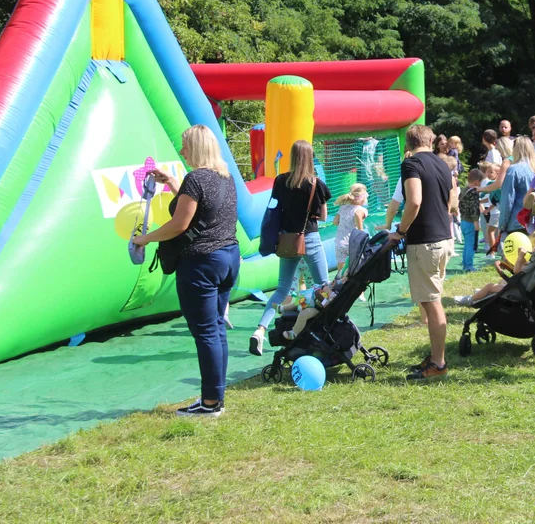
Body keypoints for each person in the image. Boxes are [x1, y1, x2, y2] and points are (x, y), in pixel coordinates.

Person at [131, 125, 239, 416]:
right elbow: (201, 207)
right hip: (228, 257)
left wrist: (144, 238)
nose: (182, 151)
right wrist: (171, 183)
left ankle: (210, 404)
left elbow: (180, 224)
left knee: (205, 332)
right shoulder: (225, 177)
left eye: (185, 146)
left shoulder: (196, 178)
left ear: (197, 148)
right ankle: (215, 398)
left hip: (201, 263)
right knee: (216, 329)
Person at [249, 139, 332, 357]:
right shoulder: (316, 183)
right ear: (310, 157)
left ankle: (260, 330)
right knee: (324, 285)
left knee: (282, 289)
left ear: (293, 157)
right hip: (310, 238)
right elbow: (322, 216)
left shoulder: (280, 180)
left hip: (286, 240)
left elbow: (276, 209)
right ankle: (328, 331)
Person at [389, 125, 457, 383]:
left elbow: (414, 201)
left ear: (408, 143)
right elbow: (452, 200)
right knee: (433, 299)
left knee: (432, 302)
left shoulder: (411, 164)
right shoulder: (443, 164)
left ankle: (438, 363)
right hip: (443, 238)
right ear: (430, 140)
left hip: (424, 242)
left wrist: (401, 230)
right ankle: (435, 357)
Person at [453, 227, 535, 306]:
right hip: (526, 287)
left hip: (520, 291)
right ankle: (484, 293)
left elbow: (517, 271)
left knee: (489, 286)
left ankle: (470, 299)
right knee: (502, 282)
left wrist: (520, 258)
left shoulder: (532, 261)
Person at [498, 136, 535, 238]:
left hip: (516, 222)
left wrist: (502, 225)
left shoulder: (513, 170)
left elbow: (507, 200)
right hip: (534, 223)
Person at [332, 183, 368, 271]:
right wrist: (361, 232)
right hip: (352, 242)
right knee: (357, 268)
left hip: (339, 242)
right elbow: (357, 215)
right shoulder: (361, 210)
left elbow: (335, 222)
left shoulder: (343, 207)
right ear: (363, 197)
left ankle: (341, 282)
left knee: (342, 270)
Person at [458, 168, 485, 272]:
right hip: (470, 222)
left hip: (463, 220)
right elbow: (474, 208)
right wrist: (476, 223)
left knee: (466, 244)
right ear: (476, 182)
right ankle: (469, 266)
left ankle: (465, 264)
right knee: (471, 245)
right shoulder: (474, 193)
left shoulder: (464, 190)